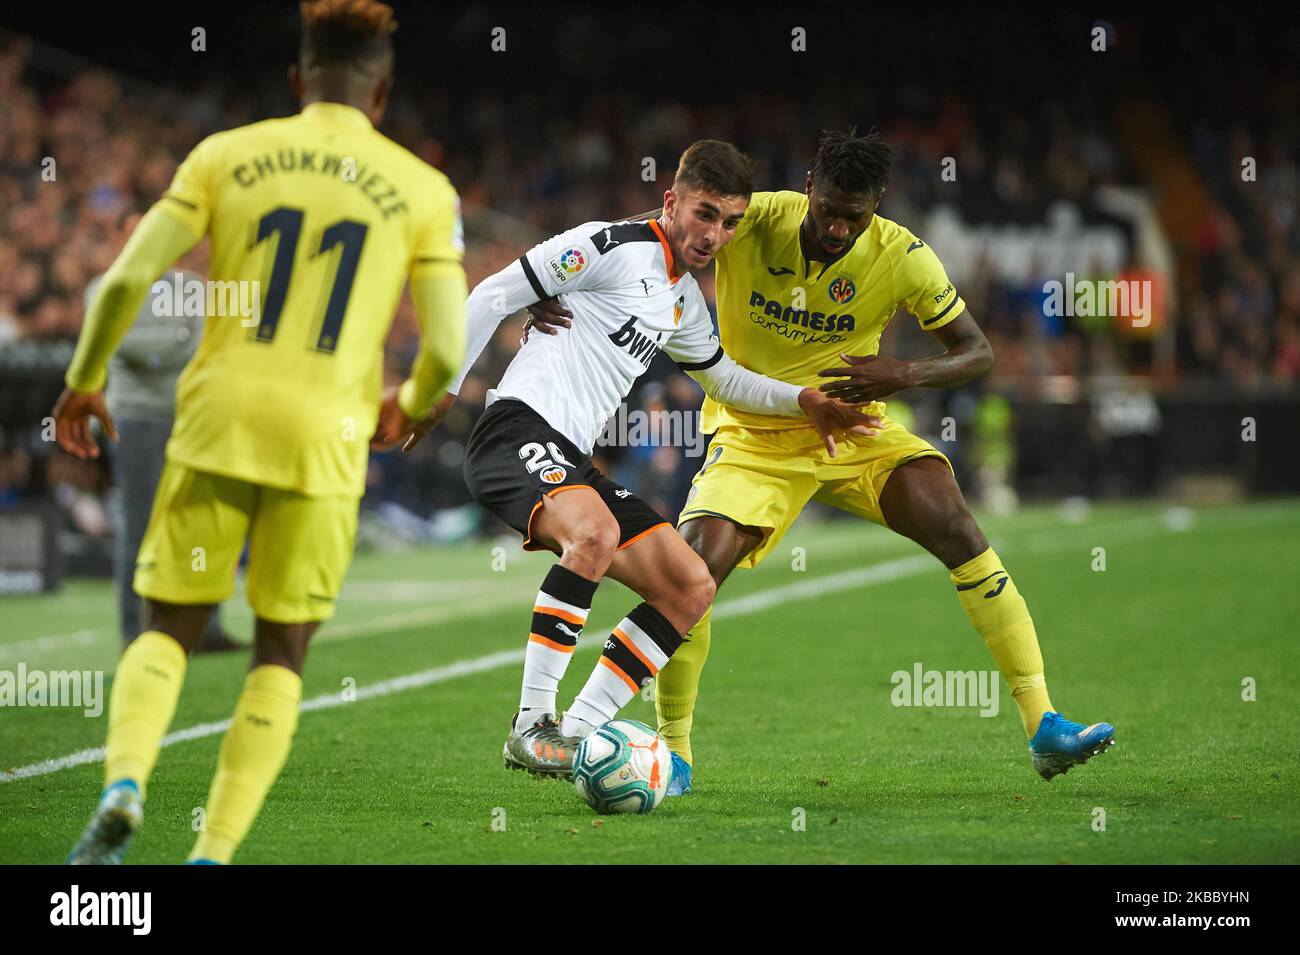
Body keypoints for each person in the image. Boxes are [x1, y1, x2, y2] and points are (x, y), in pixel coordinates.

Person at [527, 129, 1116, 794]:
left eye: (853, 216)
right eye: (828, 209)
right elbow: (654, 228)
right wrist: (556, 278)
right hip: (753, 433)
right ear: (808, 187)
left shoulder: (902, 256)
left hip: (853, 431)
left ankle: (1043, 722)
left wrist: (904, 371)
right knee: (692, 571)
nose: (837, 228)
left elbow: (976, 351)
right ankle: (676, 750)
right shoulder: (757, 218)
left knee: (957, 526)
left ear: (877, 207)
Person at [57, 0, 466, 864]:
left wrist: (83, 380)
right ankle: (212, 852)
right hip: (326, 437)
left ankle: (125, 785)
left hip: (216, 424)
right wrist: (410, 398)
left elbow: (127, 278)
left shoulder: (227, 154)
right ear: (382, 92)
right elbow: (447, 346)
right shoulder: (424, 190)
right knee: (281, 647)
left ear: (296, 79)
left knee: (168, 626)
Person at [406, 140, 879, 779]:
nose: (716, 235)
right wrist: (440, 390)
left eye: (732, 222)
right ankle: (531, 724)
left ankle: (574, 737)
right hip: (513, 431)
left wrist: (805, 401)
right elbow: (492, 292)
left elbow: (725, 379)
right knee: (594, 534)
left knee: (690, 586)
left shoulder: (684, 303)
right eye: (706, 213)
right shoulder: (612, 245)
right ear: (672, 201)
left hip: (569, 457)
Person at [90, 215, 237, 652]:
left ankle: (205, 626)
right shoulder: (106, 286)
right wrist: (173, 345)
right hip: (136, 419)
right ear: (122, 236)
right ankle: (135, 629)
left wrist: (169, 346)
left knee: (202, 523)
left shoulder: (188, 286)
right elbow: (124, 344)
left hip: (191, 417)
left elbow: (201, 343)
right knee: (140, 522)